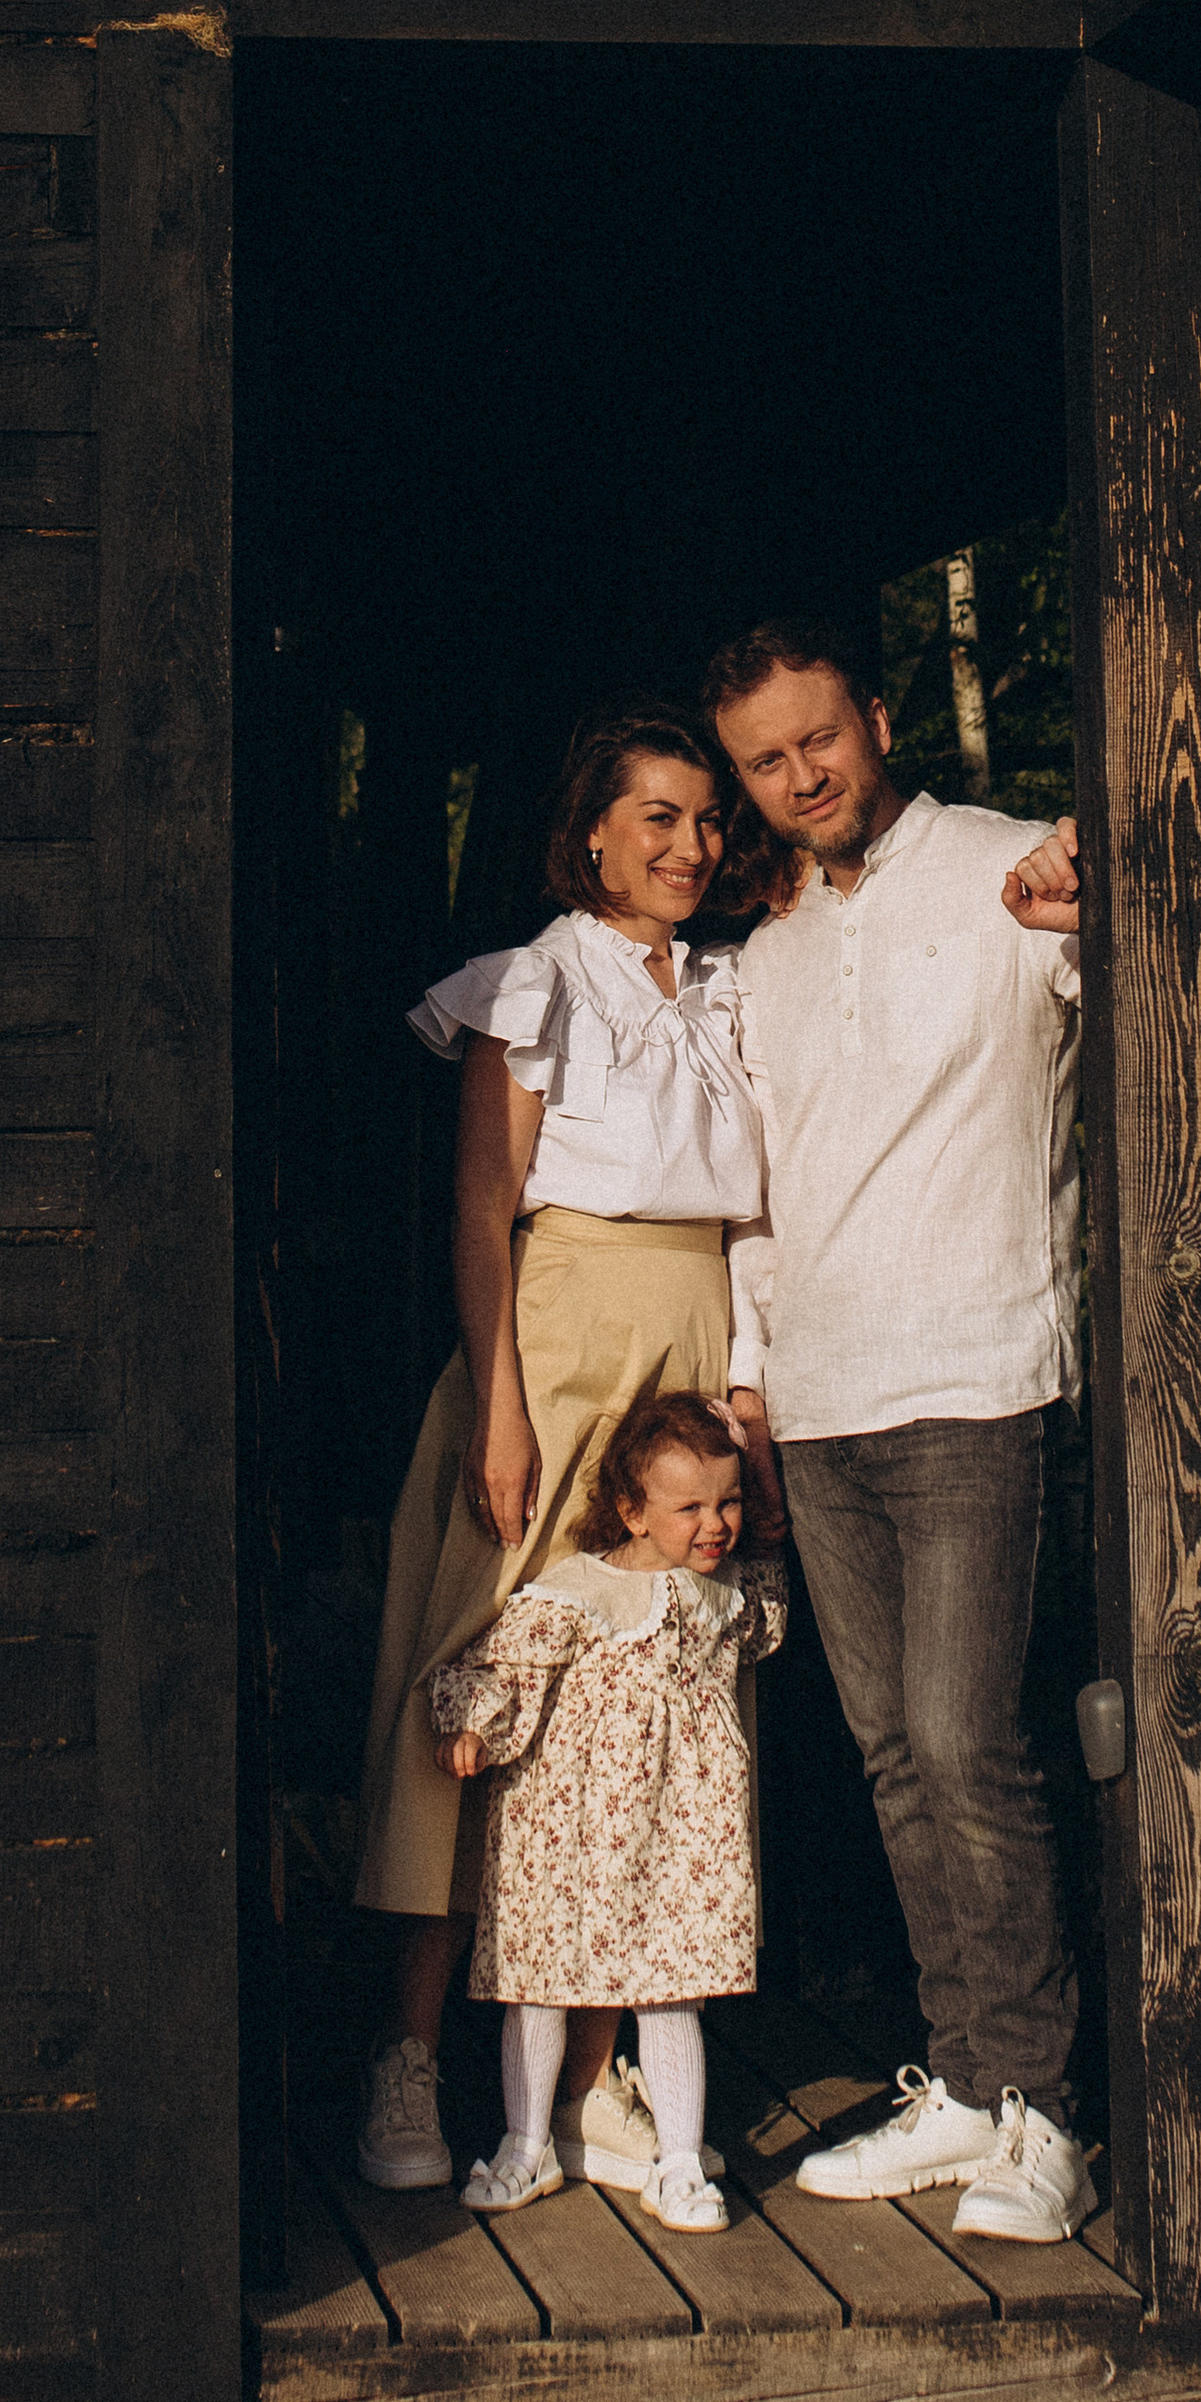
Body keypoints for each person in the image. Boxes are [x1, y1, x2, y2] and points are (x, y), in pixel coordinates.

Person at [707, 614, 1093, 2245]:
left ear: (878, 717)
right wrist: (751, 1375)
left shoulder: (1014, 874)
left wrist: (1107, 891)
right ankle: (960, 2079)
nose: (802, 778)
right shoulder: (763, 946)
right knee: (886, 1756)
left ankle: (1048, 2111)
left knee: (963, 1742)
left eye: (819, 739)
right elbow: (754, 1199)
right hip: (822, 1402)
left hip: (978, 1377)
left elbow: (1159, 950)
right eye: (765, 763)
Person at [351, 706, 765, 2200]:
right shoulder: (535, 981)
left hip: (693, 1347)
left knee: (646, 1702)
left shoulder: (733, 989)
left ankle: (589, 2085)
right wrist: (508, 1405)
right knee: (480, 1673)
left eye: (709, 819)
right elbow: (482, 1207)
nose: (689, 844)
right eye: (656, 815)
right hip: (563, 1337)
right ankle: (403, 2061)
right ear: (593, 828)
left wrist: (748, 1394)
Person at [431, 1389, 787, 2232]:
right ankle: (527, 2144)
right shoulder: (578, 1591)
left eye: (728, 1501)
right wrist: (474, 1725)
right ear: (631, 1510)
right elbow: (503, 1663)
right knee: (539, 1986)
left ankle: (677, 2160)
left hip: (678, 1830)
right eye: (690, 1506)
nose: (715, 1524)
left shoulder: (726, 1595)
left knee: (673, 1992)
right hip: (570, 1830)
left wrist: (767, 1512)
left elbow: (769, 1625)